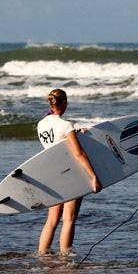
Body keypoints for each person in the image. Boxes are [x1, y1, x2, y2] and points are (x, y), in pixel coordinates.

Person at [36, 89, 102, 256]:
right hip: (70, 174)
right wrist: (93, 176)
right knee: (69, 219)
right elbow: (78, 154)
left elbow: (57, 146)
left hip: (52, 174)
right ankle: (65, 258)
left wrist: (75, 134)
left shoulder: (41, 124)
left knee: (51, 220)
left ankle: (42, 255)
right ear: (64, 103)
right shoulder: (66, 125)